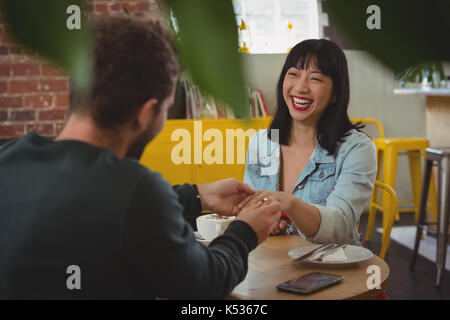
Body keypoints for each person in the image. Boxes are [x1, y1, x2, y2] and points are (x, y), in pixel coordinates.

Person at [0, 17, 281, 299]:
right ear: (146, 113)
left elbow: (102, 201)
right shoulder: (136, 188)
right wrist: (245, 232)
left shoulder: (10, 160)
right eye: (165, 110)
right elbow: (203, 285)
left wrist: (198, 195)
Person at [240, 39, 377, 245]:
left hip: (332, 270)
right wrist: (267, 223)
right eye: (293, 74)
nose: (300, 87)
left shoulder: (356, 149)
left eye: (315, 78)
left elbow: (339, 227)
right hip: (271, 264)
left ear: (335, 94)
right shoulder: (261, 142)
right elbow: (251, 209)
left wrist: (291, 205)